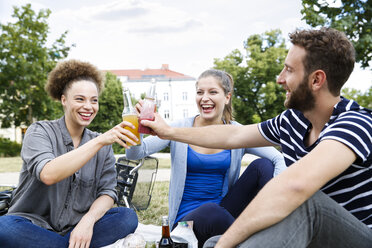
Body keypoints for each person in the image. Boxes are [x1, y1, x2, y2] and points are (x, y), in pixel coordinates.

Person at [139, 27, 372, 247]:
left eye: (289, 70)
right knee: (213, 242)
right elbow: (234, 134)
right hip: (310, 235)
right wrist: (168, 132)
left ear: (316, 80)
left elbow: (295, 186)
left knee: (305, 203)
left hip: (355, 238)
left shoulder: (355, 124)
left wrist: (227, 242)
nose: (280, 78)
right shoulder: (292, 121)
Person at [126, 69, 287, 246]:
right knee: (211, 211)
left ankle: (278, 225)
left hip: (224, 212)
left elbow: (279, 159)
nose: (204, 98)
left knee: (262, 166)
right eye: (200, 92)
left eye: (212, 92)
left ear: (227, 97)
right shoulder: (179, 128)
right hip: (185, 223)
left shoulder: (236, 132)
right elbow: (135, 153)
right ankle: (253, 241)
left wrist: (277, 203)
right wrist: (138, 125)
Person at [0, 60, 139, 248]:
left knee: (127, 217)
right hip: (31, 225)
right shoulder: (39, 131)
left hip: (77, 227)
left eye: (94, 100)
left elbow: (107, 193)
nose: (88, 107)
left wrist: (87, 222)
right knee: (5, 227)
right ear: (64, 100)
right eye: (80, 99)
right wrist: (99, 141)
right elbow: (48, 174)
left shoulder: (103, 145)